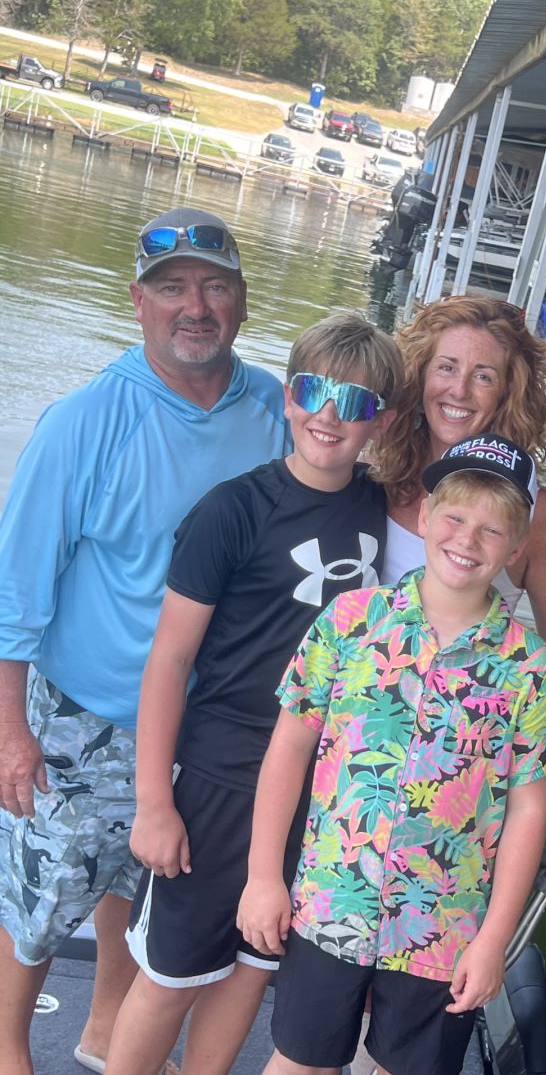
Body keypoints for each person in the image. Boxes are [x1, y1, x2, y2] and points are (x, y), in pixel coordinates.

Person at [0, 206, 291, 1075]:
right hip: (85, 718)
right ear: (138, 301)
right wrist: (10, 731)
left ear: (243, 301)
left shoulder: (276, 408)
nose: (194, 307)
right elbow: (15, 592)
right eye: (172, 288)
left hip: (210, 725)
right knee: (41, 899)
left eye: (214, 287)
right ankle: (9, 1050)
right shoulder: (84, 420)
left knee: (145, 886)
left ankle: (103, 1028)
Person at [104, 313, 401, 1075]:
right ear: (288, 397)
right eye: (314, 391)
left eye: (355, 401)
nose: (330, 414)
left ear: (380, 420)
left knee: (252, 964)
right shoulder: (231, 511)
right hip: (218, 779)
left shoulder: (383, 512)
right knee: (171, 975)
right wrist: (154, 802)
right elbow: (170, 660)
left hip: (316, 791)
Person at [237, 434, 546, 1075]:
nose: (467, 540)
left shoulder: (532, 669)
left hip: (444, 929)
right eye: (455, 518)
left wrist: (493, 940)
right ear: (423, 518)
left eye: (492, 530)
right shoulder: (349, 620)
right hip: (331, 902)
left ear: (516, 549)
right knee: (299, 1060)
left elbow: (528, 810)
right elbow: (288, 748)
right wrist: (261, 877)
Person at [373, 295, 546, 772]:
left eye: (483, 377)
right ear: (419, 376)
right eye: (446, 368)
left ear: (507, 393)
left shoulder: (539, 512)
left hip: (460, 750)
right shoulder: (378, 474)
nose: (459, 391)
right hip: (359, 720)